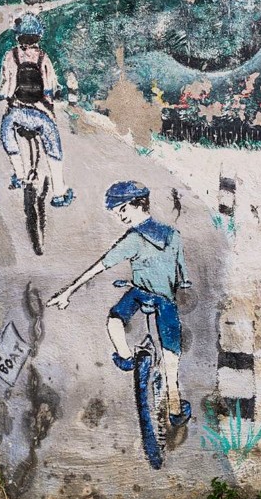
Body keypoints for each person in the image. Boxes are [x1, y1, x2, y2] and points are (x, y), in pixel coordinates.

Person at [46, 181, 192, 427]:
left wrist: (68, 291)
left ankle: (126, 357)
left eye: (123, 209)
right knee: (170, 355)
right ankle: (176, 409)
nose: (120, 216)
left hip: (139, 294)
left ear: (138, 204)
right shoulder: (173, 235)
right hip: (165, 299)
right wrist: (181, 284)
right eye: (117, 212)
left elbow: (101, 265)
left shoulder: (133, 239)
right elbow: (182, 270)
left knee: (115, 320)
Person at [0, 15, 75, 207]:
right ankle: (59, 193)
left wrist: (1, 95)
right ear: (38, 36)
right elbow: (50, 87)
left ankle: (19, 175)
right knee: (53, 147)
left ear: (18, 36)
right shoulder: (43, 57)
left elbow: (6, 87)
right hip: (41, 115)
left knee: (6, 135)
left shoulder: (11, 56)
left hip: (17, 113)